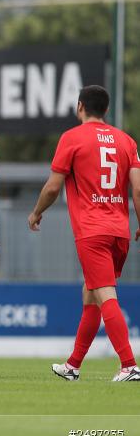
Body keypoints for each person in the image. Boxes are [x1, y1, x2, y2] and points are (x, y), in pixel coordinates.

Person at [29, 85, 140, 382]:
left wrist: (37, 212)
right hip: (120, 231)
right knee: (90, 295)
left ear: (80, 107)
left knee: (104, 294)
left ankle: (129, 365)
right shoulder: (126, 141)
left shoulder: (72, 138)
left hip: (93, 232)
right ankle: (73, 366)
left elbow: (53, 186)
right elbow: (138, 188)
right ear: (105, 109)